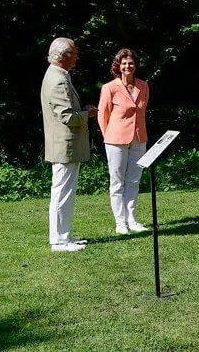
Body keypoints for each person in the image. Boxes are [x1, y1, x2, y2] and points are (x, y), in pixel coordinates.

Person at [41, 37, 98, 252]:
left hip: (66, 145)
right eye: (74, 53)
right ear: (64, 56)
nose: (77, 57)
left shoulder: (59, 75)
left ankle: (64, 235)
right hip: (64, 146)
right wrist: (88, 114)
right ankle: (59, 240)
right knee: (62, 192)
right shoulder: (57, 79)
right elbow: (66, 116)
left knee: (65, 192)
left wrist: (82, 111)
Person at [98, 49, 149, 234]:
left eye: (131, 63)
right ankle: (120, 222)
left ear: (135, 65)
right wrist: (108, 136)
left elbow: (141, 113)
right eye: (124, 63)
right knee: (117, 181)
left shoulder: (143, 86)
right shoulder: (109, 87)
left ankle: (132, 219)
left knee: (134, 181)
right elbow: (102, 115)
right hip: (115, 140)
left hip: (139, 138)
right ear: (118, 66)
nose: (128, 66)